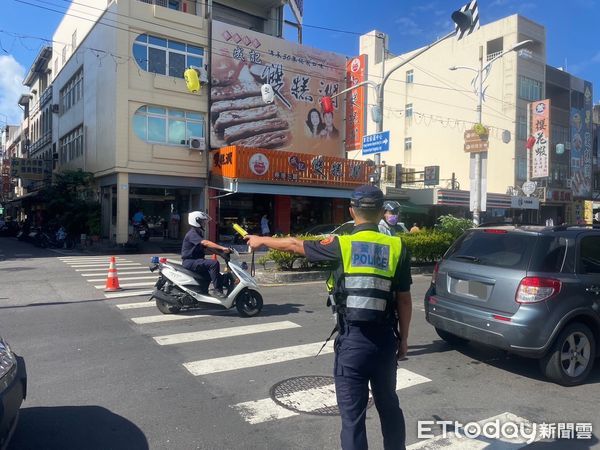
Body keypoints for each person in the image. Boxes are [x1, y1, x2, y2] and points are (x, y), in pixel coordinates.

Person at [245, 185, 412, 449]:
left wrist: (261, 240)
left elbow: (294, 244)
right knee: (389, 406)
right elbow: (404, 299)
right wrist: (403, 341)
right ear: (382, 212)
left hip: (353, 343)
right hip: (385, 342)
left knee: (353, 419)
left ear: (351, 211)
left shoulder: (342, 245)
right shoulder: (397, 246)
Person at [181, 211, 231, 298]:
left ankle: (203, 293)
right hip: (190, 261)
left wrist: (221, 254)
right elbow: (206, 243)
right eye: (203, 221)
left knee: (212, 275)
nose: (205, 223)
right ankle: (217, 290)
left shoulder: (198, 232)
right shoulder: (192, 233)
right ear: (196, 221)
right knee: (213, 263)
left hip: (196, 260)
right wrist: (222, 248)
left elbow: (208, 248)